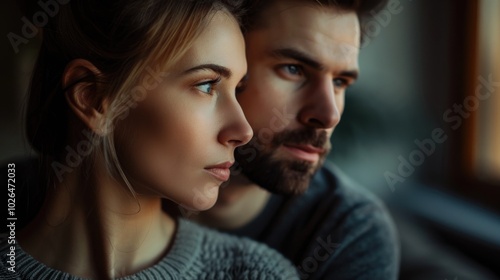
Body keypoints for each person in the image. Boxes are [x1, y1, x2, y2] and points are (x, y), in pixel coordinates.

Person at [0, 0, 299, 279]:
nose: (243, 130)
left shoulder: (258, 273)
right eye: (207, 85)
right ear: (93, 97)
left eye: (238, 89)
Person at [185, 0, 400, 279]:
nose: (328, 115)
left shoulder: (348, 231)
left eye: (339, 82)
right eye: (294, 69)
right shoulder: (125, 193)